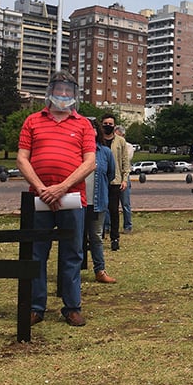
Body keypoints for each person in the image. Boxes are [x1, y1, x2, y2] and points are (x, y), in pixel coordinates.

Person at [16, 71, 96, 327]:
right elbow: (22, 158)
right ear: (50, 90)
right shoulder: (32, 121)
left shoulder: (83, 124)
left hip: (72, 197)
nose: (63, 95)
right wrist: (41, 188)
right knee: (36, 254)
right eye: (59, 89)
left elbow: (90, 162)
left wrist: (61, 187)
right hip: (38, 199)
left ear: (74, 94)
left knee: (72, 254)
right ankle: (36, 307)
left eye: (68, 90)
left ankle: (72, 306)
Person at [85, 120, 116, 284]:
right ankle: (71, 272)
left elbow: (111, 174)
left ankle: (100, 270)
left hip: (98, 202)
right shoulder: (75, 152)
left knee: (96, 237)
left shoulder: (105, 152)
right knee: (74, 239)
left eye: (93, 129)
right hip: (78, 202)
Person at [99, 114, 129, 251]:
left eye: (111, 124)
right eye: (105, 123)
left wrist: (124, 179)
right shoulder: (97, 141)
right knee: (98, 210)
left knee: (113, 210)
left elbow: (124, 161)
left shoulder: (120, 141)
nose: (108, 126)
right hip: (100, 180)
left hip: (115, 180)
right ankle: (98, 235)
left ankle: (115, 238)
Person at [115, 125, 135, 233]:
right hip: (114, 175)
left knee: (125, 203)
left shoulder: (128, 146)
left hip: (124, 176)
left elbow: (126, 159)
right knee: (111, 204)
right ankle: (108, 226)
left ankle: (128, 225)